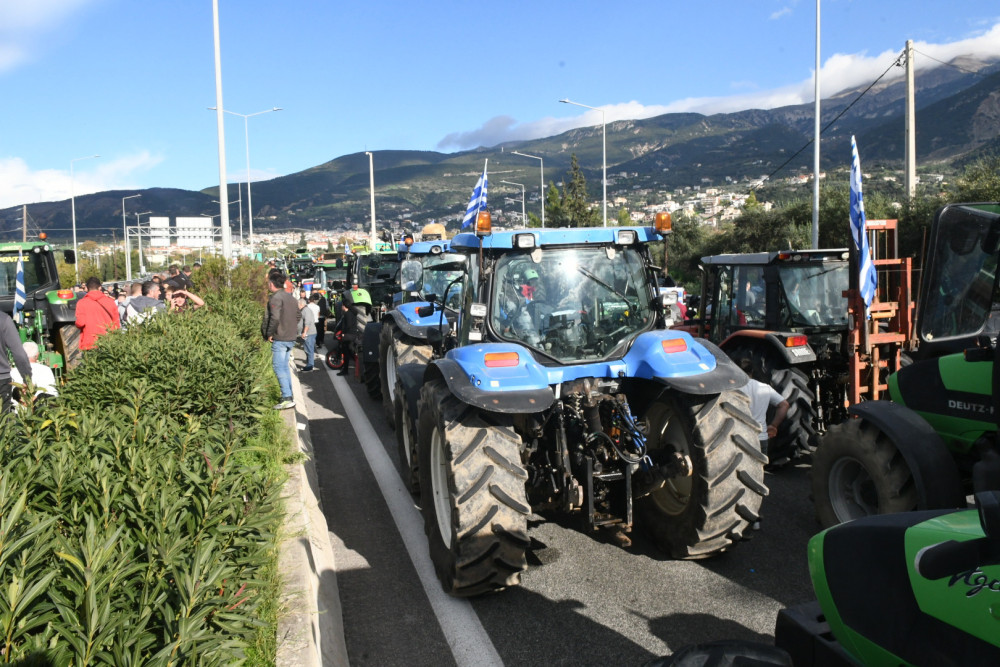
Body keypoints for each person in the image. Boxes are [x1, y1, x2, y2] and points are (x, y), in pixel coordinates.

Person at [262, 272, 301, 409]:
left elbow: (275, 318)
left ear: (271, 284)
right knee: (284, 367)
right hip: (291, 337)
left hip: (280, 338)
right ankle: (289, 395)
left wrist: (269, 333)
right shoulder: (291, 298)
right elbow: (298, 316)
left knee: (278, 367)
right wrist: (290, 327)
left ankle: (286, 397)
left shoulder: (276, 298)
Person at [75, 276, 121, 351]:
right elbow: (116, 324)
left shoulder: (81, 303)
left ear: (86, 288)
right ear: (100, 288)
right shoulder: (111, 302)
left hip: (90, 343)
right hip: (108, 342)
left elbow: (80, 323)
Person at [0, 311, 31, 414]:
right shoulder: (3, 319)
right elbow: (19, 354)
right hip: (1, 380)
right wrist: (27, 379)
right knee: (3, 424)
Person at [337, 288, 371, 377]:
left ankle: (346, 369)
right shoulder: (353, 313)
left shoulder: (347, 314)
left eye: (342, 306)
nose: (341, 307)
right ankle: (353, 365)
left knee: (346, 350)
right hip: (353, 335)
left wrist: (343, 334)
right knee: (350, 350)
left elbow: (348, 325)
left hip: (348, 335)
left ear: (345, 306)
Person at [297, 297, 317, 372]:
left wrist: (304, 332)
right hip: (308, 333)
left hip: (309, 333)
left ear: (301, 304)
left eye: (298, 304)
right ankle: (309, 364)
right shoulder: (304, 310)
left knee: (309, 349)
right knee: (307, 348)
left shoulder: (306, 311)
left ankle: (310, 365)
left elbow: (307, 323)